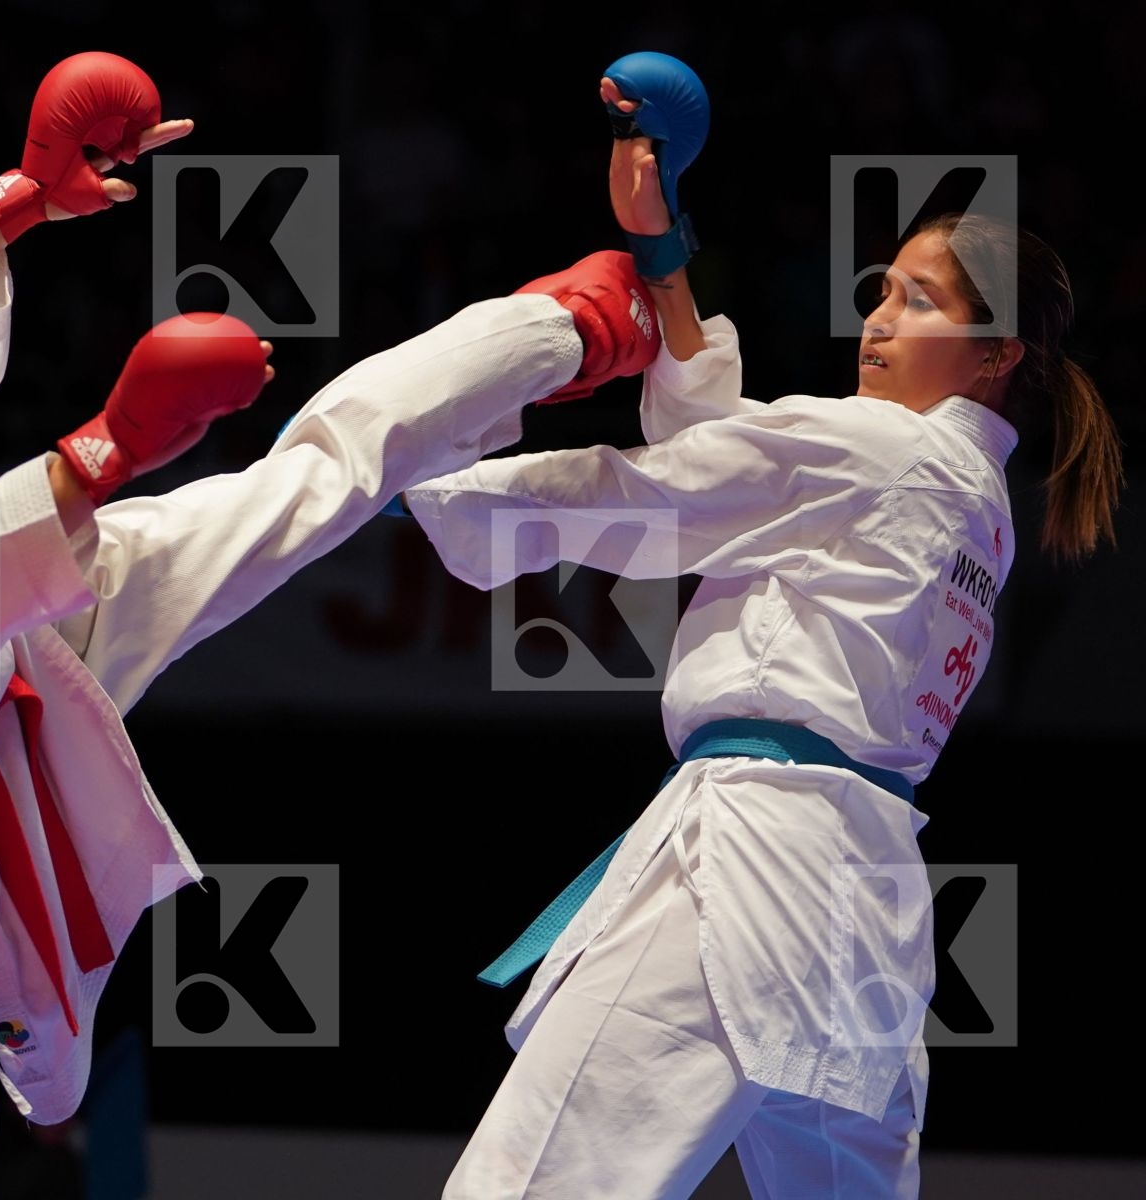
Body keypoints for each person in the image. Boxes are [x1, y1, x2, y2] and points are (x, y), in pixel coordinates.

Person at [0, 51, 662, 1200]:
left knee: (294, 489)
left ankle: (566, 326)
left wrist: (21, 201)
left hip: (9, 650)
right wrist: (105, 447)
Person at [396, 67, 1124, 1199]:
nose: (881, 317)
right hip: (864, 920)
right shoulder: (971, 506)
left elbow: (661, 491)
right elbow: (735, 463)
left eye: (924, 303)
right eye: (886, 289)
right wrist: (661, 250)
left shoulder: (883, 454)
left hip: (747, 874)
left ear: (996, 357)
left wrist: (403, 481)